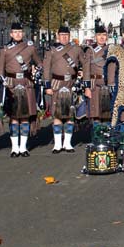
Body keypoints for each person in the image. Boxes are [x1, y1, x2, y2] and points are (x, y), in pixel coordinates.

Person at [0, 21, 41, 157]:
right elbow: (0, 71)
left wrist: (37, 72)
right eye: (15, 32)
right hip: (11, 84)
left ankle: (23, 147)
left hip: (26, 82)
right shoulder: (4, 50)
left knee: (25, 117)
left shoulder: (30, 47)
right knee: (14, 118)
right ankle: (14, 148)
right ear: (11, 34)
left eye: (20, 32)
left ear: (23, 33)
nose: (17, 34)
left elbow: (39, 63)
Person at [43, 24, 84, 153]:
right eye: (62, 35)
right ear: (57, 36)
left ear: (69, 36)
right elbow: (46, 68)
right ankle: (57, 144)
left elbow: (84, 63)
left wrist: (82, 72)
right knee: (57, 114)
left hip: (71, 84)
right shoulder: (51, 50)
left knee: (70, 114)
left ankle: (67, 143)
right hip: (56, 84)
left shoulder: (76, 49)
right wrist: (47, 86)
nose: (64, 37)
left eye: (66, 35)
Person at [82, 19, 113, 125]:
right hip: (94, 85)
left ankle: (106, 139)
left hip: (108, 85)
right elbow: (86, 70)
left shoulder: (112, 49)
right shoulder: (90, 50)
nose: (102, 37)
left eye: (104, 35)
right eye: (99, 35)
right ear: (95, 36)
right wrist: (87, 88)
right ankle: (97, 138)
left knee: (107, 114)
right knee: (95, 115)